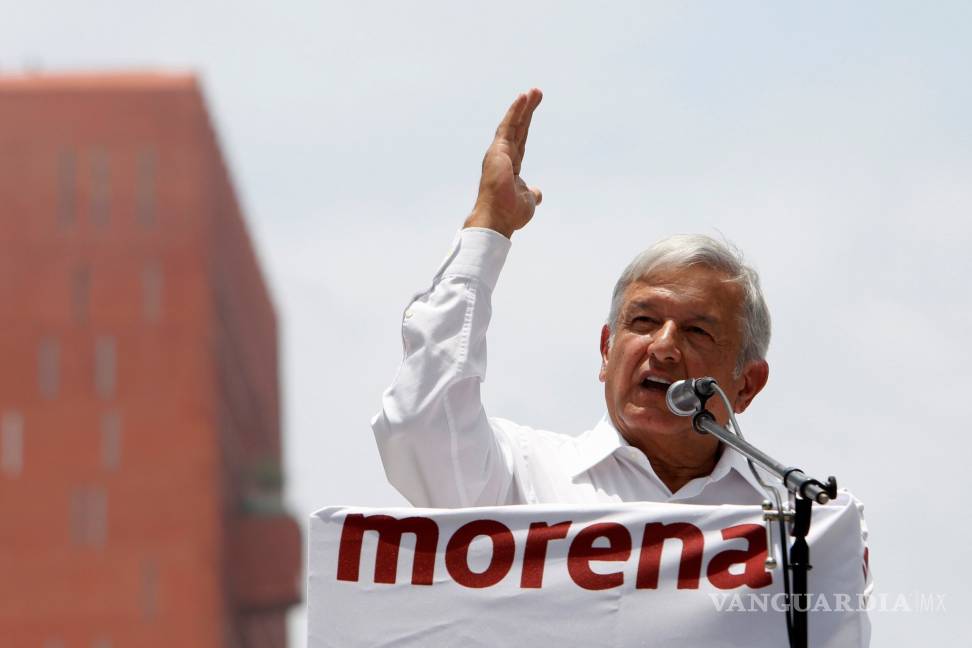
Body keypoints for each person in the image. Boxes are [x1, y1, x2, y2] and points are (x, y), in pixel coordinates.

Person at [370, 89, 841, 513]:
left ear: (747, 385)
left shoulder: (793, 519)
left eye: (697, 331)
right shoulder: (523, 480)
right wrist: (489, 226)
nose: (663, 347)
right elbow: (419, 426)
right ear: (605, 351)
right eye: (643, 321)